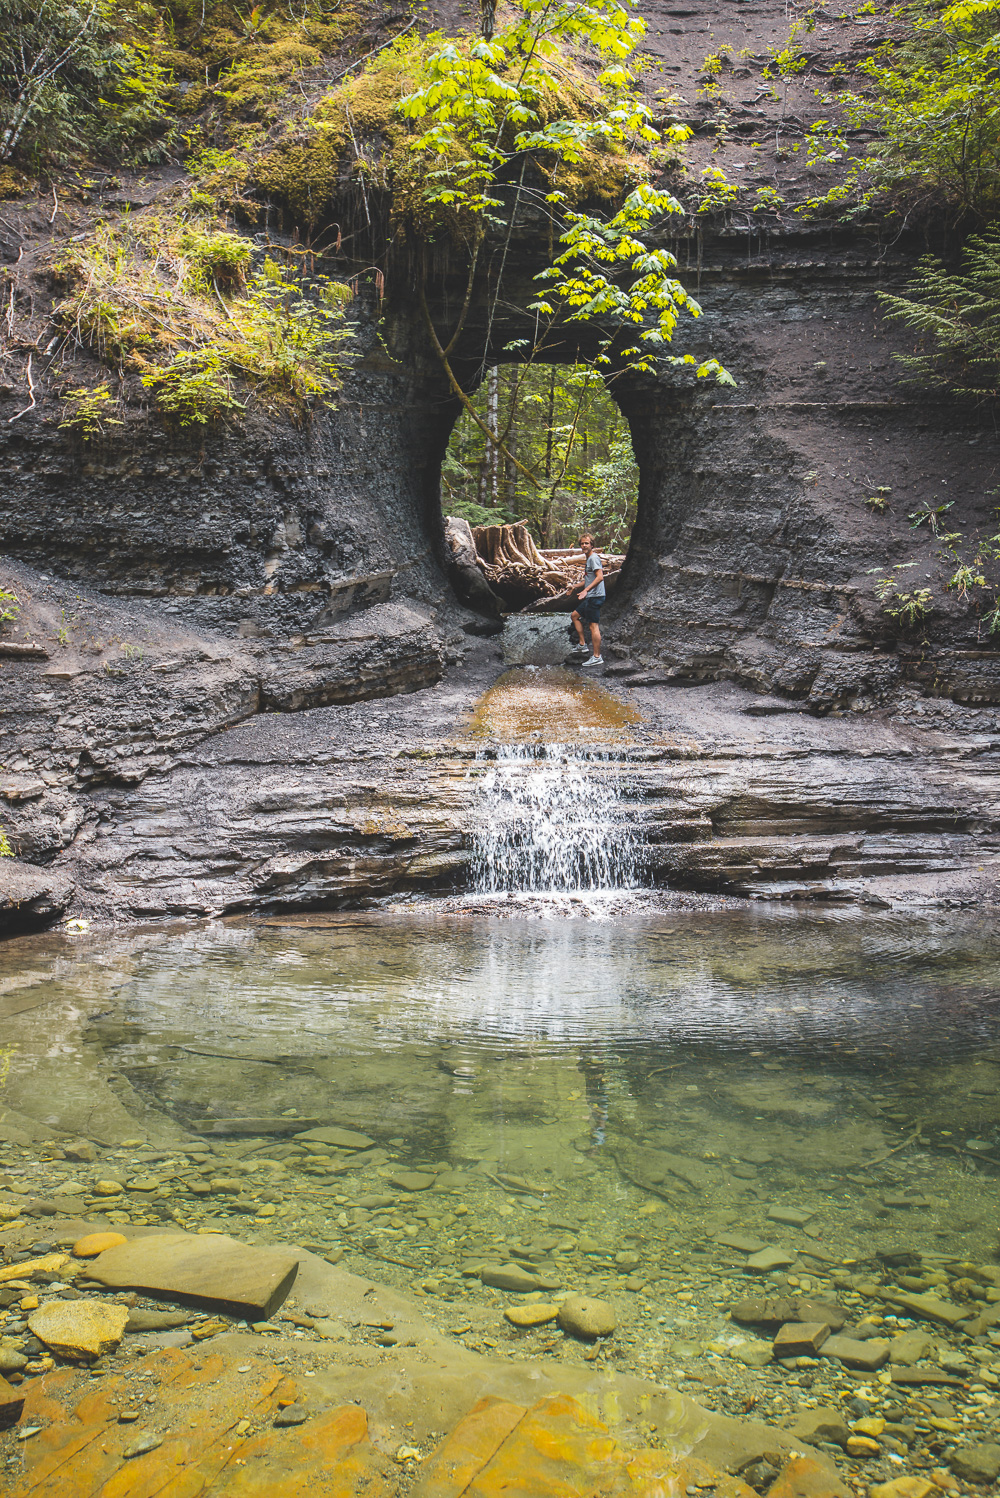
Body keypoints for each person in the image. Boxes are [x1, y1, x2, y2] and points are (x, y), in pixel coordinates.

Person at [568, 533, 605, 667]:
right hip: (591, 596)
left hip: (595, 597)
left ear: (592, 545)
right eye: (582, 543)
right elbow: (589, 579)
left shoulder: (593, 558)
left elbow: (599, 577)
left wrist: (586, 590)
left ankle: (597, 657)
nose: (584, 545)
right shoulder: (589, 558)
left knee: (593, 626)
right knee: (575, 615)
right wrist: (575, 586)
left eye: (586, 543)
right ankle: (582, 645)